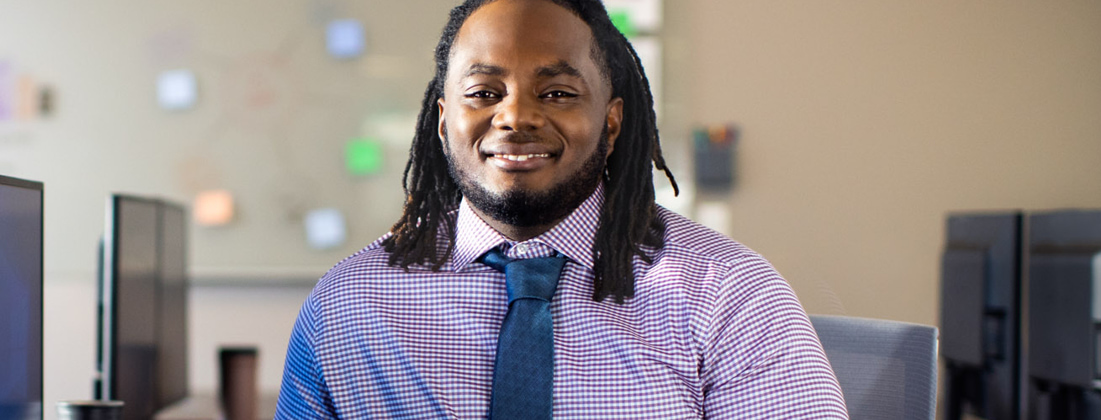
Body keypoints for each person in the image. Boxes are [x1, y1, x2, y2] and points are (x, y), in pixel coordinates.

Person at [273, 0, 848, 418]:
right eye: (484, 92)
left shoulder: (729, 293)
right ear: (444, 119)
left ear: (613, 120)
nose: (516, 117)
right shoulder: (350, 304)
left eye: (557, 93)